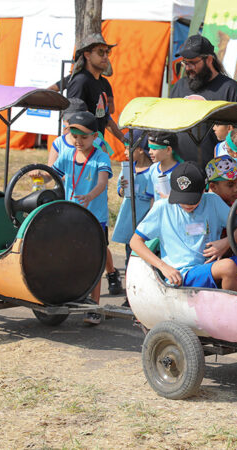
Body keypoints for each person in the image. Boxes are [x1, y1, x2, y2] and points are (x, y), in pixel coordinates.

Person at [130, 162, 237, 290]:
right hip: (182, 274)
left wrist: (226, 243)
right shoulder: (163, 207)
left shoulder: (212, 201)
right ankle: (234, 310)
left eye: (192, 200)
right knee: (228, 267)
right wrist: (163, 267)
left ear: (203, 190)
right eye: (182, 199)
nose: (187, 205)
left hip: (211, 266)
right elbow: (135, 242)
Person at [50, 112, 113, 325]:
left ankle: (94, 307)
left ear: (95, 136)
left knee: (94, 262)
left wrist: (90, 196)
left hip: (95, 218)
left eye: (84, 137)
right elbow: (54, 173)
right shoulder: (67, 155)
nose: (78, 141)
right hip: (71, 216)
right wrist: (40, 175)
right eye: (75, 137)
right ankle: (71, 297)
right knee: (70, 258)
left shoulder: (101, 157)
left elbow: (103, 183)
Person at [170, 35, 237, 167]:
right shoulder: (180, 86)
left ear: (209, 59)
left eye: (193, 63)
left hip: (219, 172)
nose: (188, 68)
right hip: (180, 169)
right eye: (185, 62)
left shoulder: (230, 89)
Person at [111, 136, 154, 304]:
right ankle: (130, 297)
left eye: (128, 148)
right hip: (129, 216)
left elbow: (152, 198)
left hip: (144, 218)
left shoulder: (152, 171)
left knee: (143, 259)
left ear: (141, 149)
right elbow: (121, 193)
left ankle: (143, 294)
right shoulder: (128, 168)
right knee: (129, 257)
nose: (124, 152)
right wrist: (122, 187)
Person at [66, 33, 127, 145]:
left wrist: (125, 141)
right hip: (81, 148)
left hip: (95, 146)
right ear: (87, 55)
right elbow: (69, 119)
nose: (105, 56)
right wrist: (83, 147)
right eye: (100, 52)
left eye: (107, 52)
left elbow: (106, 119)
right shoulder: (80, 81)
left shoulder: (104, 83)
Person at [205, 155, 237, 291]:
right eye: (230, 185)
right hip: (227, 264)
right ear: (213, 186)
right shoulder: (211, 206)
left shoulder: (235, 203)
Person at [146, 132, 182, 201]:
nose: (150, 152)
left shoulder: (181, 172)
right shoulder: (153, 169)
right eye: (149, 148)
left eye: (154, 148)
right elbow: (153, 198)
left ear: (168, 150)